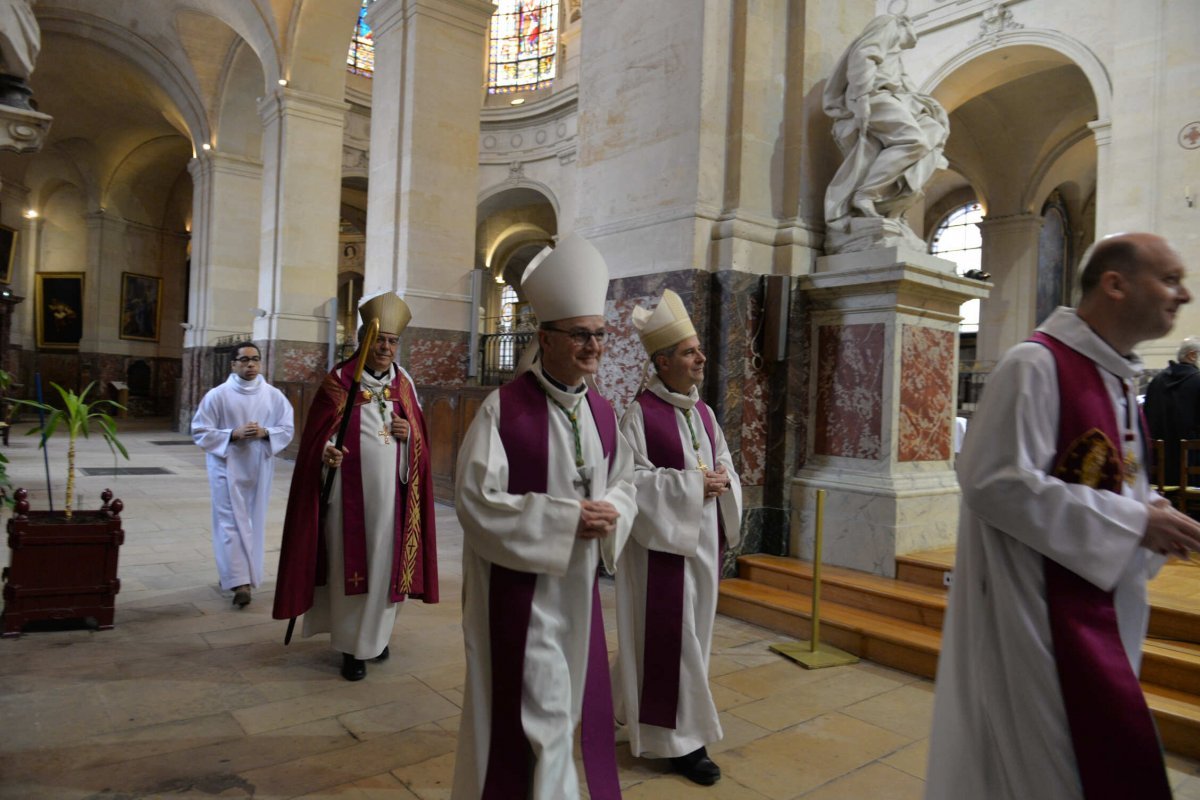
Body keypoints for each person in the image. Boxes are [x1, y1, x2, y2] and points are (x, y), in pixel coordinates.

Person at [925, 233, 1200, 800]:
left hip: (1100, 606)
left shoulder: (1118, 380)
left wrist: (1151, 510)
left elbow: (1116, 477)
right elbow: (993, 481)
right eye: (1170, 279)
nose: (1185, 295)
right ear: (1115, 284)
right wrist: (1134, 523)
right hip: (1038, 615)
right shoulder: (1036, 364)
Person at [451, 232, 638, 800]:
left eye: (600, 335)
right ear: (545, 339)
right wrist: (563, 520)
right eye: (580, 336)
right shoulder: (503, 409)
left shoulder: (604, 414)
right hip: (520, 592)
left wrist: (614, 511)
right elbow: (476, 499)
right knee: (545, 713)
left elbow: (628, 482)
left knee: (559, 708)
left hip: (577, 590)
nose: (593, 347)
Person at [272, 291, 438, 682]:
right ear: (363, 340)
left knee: (385, 570)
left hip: (393, 501)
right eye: (379, 339)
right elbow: (317, 439)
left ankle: (375, 638)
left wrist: (408, 433)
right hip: (347, 499)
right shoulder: (338, 382)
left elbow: (420, 441)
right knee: (351, 569)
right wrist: (327, 452)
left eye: (392, 341)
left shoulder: (404, 384)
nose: (385, 348)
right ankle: (351, 648)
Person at [612, 289, 742, 786]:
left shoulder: (704, 413)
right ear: (662, 362)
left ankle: (633, 706)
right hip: (661, 550)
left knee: (689, 640)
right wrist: (691, 485)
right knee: (676, 641)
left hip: (703, 543)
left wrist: (722, 478)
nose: (701, 358)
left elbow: (723, 458)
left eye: (698, 350)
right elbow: (630, 483)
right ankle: (681, 742)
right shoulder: (639, 415)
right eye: (690, 352)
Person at [822, 13, 949, 250]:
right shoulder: (890, 24)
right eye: (914, 31)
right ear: (905, 24)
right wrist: (861, 98)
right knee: (914, 141)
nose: (916, 37)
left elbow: (905, 84)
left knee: (933, 129)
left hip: (891, 97)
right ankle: (866, 194)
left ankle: (892, 202)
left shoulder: (897, 54)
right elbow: (864, 54)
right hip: (874, 96)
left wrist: (929, 109)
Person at [191, 342, 294, 608]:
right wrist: (232, 434)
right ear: (233, 364)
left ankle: (248, 575)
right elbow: (200, 430)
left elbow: (286, 427)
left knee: (253, 521)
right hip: (226, 466)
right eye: (244, 360)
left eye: (255, 360)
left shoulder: (273, 395)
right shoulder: (218, 395)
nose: (251, 364)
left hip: (259, 465)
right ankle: (240, 582)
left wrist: (266, 432)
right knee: (230, 522)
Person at [1143, 336, 1200, 487]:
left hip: (1157, 474)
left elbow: (1145, 419)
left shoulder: (1156, 381)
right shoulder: (1198, 381)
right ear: (1192, 355)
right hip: (1191, 473)